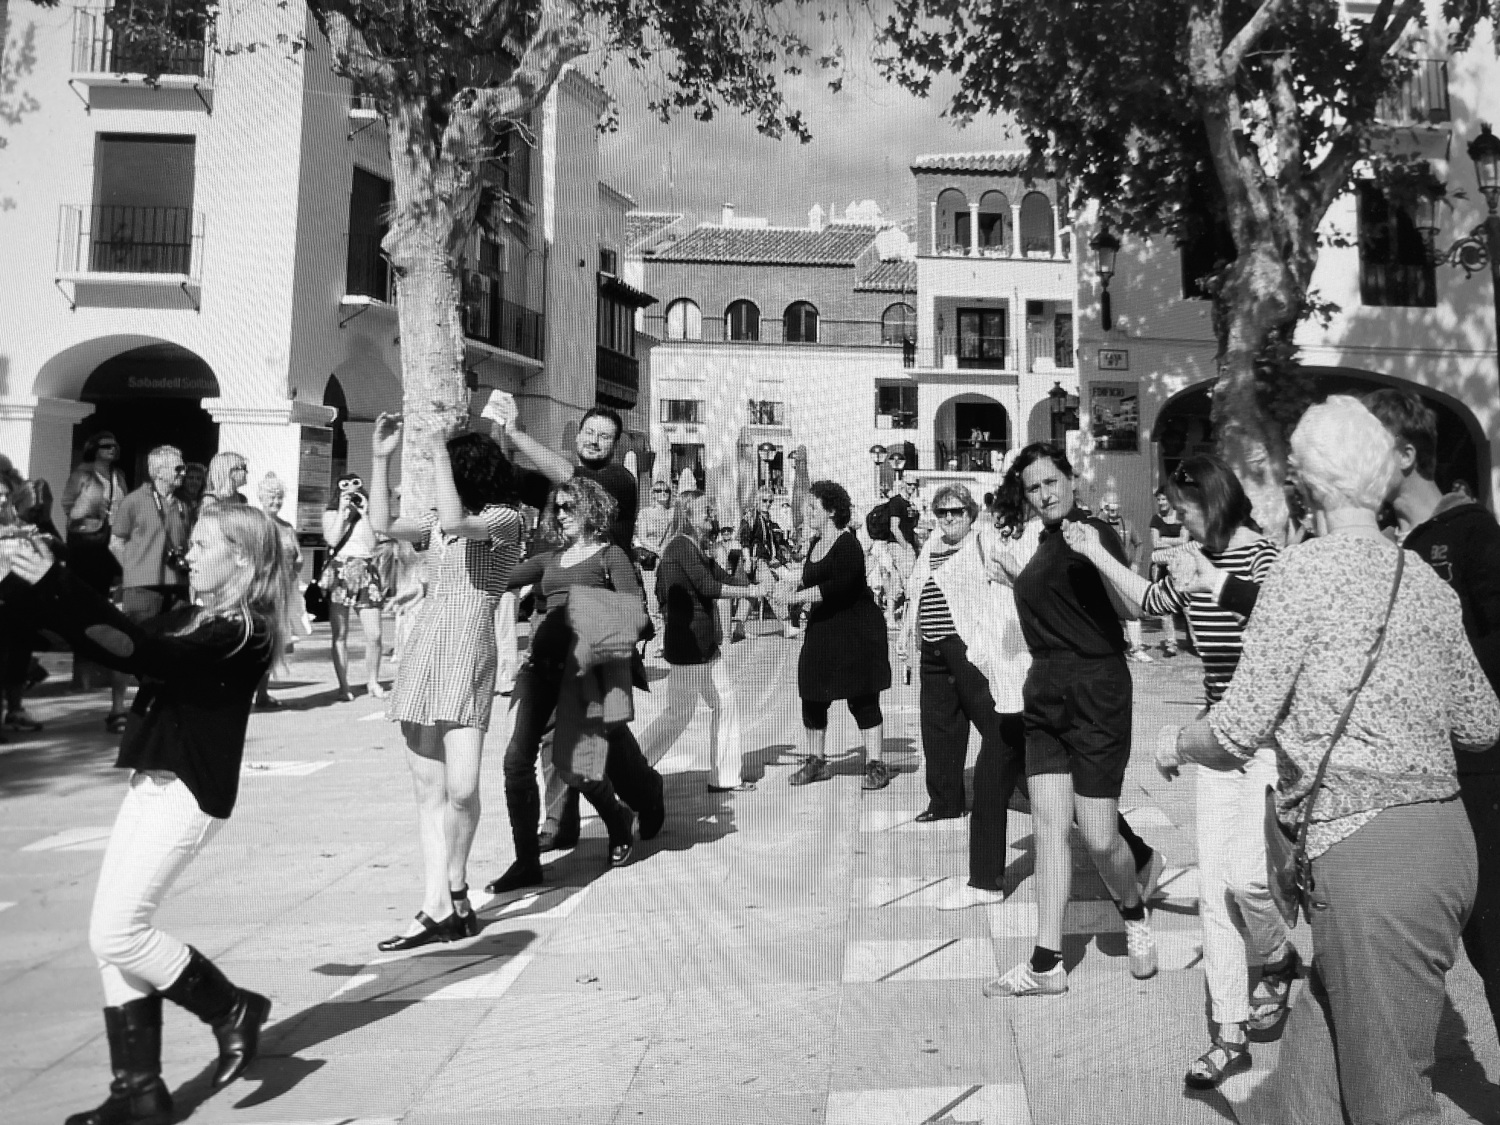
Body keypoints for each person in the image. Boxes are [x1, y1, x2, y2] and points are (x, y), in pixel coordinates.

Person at [1163, 397, 1500, 1124]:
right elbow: (1482, 722)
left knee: (1392, 1100)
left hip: (1368, 857)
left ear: (1306, 485)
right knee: (1312, 1086)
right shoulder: (1426, 583)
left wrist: (1174, 742)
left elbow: (1237, 727)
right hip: (1445, 841)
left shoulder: (1299, 574)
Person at [2, 505, 295, 1125]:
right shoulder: (195, 615)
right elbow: (106, 634)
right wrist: (25, 582)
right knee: (112, 936)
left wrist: (57, 580)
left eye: (205, 543)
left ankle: (233, 1008)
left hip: (187, 792)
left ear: (241, 557)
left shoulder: (245, 630)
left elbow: (143, 652)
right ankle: (139, 1093)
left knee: (119, 932)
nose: (190, 553)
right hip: (152, 784)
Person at [1068, 455, 1293, 1088]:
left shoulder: (1263, 559)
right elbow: (1145, 602)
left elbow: (1279, 616)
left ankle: (1275, 958)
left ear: (1216, 499)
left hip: (1272, 742)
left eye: (1184, 509)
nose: (1177, 522)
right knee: (1218, 888)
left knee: (1251, 882)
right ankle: (1229, 1031)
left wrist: (1210, 576)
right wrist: (1095, 552)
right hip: (1217, 738)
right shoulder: (1194, 558)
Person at [984, 442, 1157, 997]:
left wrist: (1100, 553)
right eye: (1034, 488)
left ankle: (1133, 911)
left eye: (1052, 482)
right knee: (1050, 830)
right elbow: (1060, 608)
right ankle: (1045, 961)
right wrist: (1016, 579)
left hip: (1097, 691)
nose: (1044, 494)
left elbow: (1131, 609)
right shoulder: (1045, 541)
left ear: (1071, 479)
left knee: (1101, 837)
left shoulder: (1091, 532)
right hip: (1047, 695)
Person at [1364, 388, 1500, 1039]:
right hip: (1423, 775)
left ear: (1407, 453)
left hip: (1483, 769)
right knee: (1468, 938)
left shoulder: (1473, 531)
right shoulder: (1393, 547)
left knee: (1495, 939)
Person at [368, 415, 523, 950]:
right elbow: (383, 524)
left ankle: (455, 882)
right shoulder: (439, 517)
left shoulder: (507, 519)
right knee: (427, 790)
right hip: (427, 646)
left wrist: (436, 449)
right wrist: (380, 456)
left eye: (449, 468)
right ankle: (435, 905)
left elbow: (458, 526)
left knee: (462, 787)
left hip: (468, 650)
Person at [487, 477, 649, 893]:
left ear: (590, 509)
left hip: (583, 674)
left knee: (573, 768)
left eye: (568, 506)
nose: (560, 514)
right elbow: (499, 577)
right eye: (556, 508)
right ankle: (526, 863)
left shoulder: (610, 556)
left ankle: (618, 820)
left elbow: (637, 614)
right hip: (539, 671)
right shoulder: (550, 560)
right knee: (515, 761)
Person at [641, 493, 767, 791]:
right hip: (688, 643)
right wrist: (751, 594)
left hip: (702, 643)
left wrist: (759, 586)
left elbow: (723, 577)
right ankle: (633, 767)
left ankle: (724, 777)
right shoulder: (680, 545)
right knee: (678, 714)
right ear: (687, 514)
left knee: (723, 704)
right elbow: (708, 587)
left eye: (711, 509)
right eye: (705, 510)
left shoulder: (697, 546)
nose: (711, 514)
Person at [777, 480, 893, 791]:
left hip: (856, 631)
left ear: (830, 511)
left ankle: (876, 764)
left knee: (862, 698)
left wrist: (797, 598)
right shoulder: (816, 544)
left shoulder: (848, 544)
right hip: (823, 630)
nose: (807, 514)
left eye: (813, 509)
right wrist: (787, 586)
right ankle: (817, 762)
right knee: (812, 693)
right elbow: (807, 578)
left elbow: (837, 587)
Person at [108, 446, 192, 734]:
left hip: (176, 586)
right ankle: (118, 708)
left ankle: (161, 708)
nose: (183, 473)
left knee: (173, 649)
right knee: (133, 646)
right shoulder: (134, 501)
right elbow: (115, 541)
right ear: (157, 471)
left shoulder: (183, 504)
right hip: (143, 586)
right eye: (177, 469)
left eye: (183, 468)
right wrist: (132, 568)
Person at [321, 472, 388, 701]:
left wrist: (365, 514)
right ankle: (343, 685)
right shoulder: (331, 513)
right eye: (344, 486)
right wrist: (342, 511)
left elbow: (372, 546)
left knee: (375, 635)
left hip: (366, 571)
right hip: (340, 571)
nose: (350, 490)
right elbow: (331, 539)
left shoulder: (366, 515)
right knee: (340, 634)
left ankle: (373, 681)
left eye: (355, 485)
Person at [253, 473, 303, 710]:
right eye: (271, 497)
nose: (275, 501)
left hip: (282, 593)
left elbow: (299, 558)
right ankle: (246, 692)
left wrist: (292, 573)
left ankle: (262, 693)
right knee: (256, 643)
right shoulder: (254, 524)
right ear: (261, 497)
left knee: (272, 645)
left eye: (279, 497)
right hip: (259, 593)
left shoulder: (287, 527)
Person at [61, 431, 127, 599]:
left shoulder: (118, 474)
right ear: (94, 450)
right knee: (84, 585)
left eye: (114, 446)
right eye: (106, 446)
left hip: (113, 536)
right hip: (88, 538)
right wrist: (91, 513)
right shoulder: (82, 473)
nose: (111, 449)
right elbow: (68, 503)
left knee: (104, 585)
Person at [732, 488, 799, 641]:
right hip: (756, 561)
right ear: (757, 500)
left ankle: (738, 629)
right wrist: (747, 559)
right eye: (764, 500)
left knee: (753, 595)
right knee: (771, 589)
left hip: (763, 561)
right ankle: (787, 625)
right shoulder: (751, 515)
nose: (767, 504)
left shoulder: (766, 519)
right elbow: (745, 538)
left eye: (770, 501)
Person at [1098, 494, 1151, 663]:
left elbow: (1140, 543)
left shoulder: (1127, 525)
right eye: (1109, 509)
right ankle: (1111, 648)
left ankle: (1136, 648)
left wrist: (1136, 562)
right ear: (1104, 508)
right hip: (1104, 572)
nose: (1113, 513)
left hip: (1125, 573)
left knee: (1132, 610)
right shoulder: (1099, 524)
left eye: (1116, 509)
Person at [635, 478, 674, 647]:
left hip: (669, 559)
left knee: (669, 598)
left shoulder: (673, 513)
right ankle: (661, 636)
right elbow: (642, 538)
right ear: (653, 494)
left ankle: (669, 637)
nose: (663, 494)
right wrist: (658, 550)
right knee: (652, 599)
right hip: (650, 560)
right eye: (659, 491)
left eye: (666, 491)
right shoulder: (645, 513)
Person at [1148, 486, 1186, 656]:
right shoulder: (1156, 520)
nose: (1161, 502)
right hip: (1162, 567)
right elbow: (1155, 544)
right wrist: (1176, 542)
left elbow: (1185, 540)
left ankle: (1196, 641)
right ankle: (1171, 643)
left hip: (1181, 566)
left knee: (1187, 604)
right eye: (1159, 499)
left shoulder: (1181, 518)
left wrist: (1165, 539)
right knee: (1165, 606)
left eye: (1164, 499)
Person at [197, 451, 249, 516]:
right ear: (229, 471)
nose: (247, 472)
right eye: (243, 468)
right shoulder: (210, 500)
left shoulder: (242, 498)